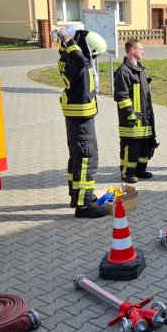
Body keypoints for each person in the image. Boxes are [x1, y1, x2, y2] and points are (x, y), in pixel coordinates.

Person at [56, 27, 108, 218]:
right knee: (87, 160)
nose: (93, 60)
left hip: (75, 117)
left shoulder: (66, 59)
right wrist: (69, 40)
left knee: (77, 158)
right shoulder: (79, 62)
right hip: (81, 119)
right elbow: (80, 57)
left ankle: (76, 197)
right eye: (95, 55)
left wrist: (68, 44)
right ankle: (84, 206)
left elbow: (76, 56)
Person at [113, 38, 158, 184]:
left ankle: (140, 170)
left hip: (144, 118)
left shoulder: (140, 69)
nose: (143, 51)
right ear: (133, 50)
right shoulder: (123, 71)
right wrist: (130, 114)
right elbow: (121, 96)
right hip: (131, 119)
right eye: (141, 49)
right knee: (131, 147)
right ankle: (128, 173)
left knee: (144, 146)